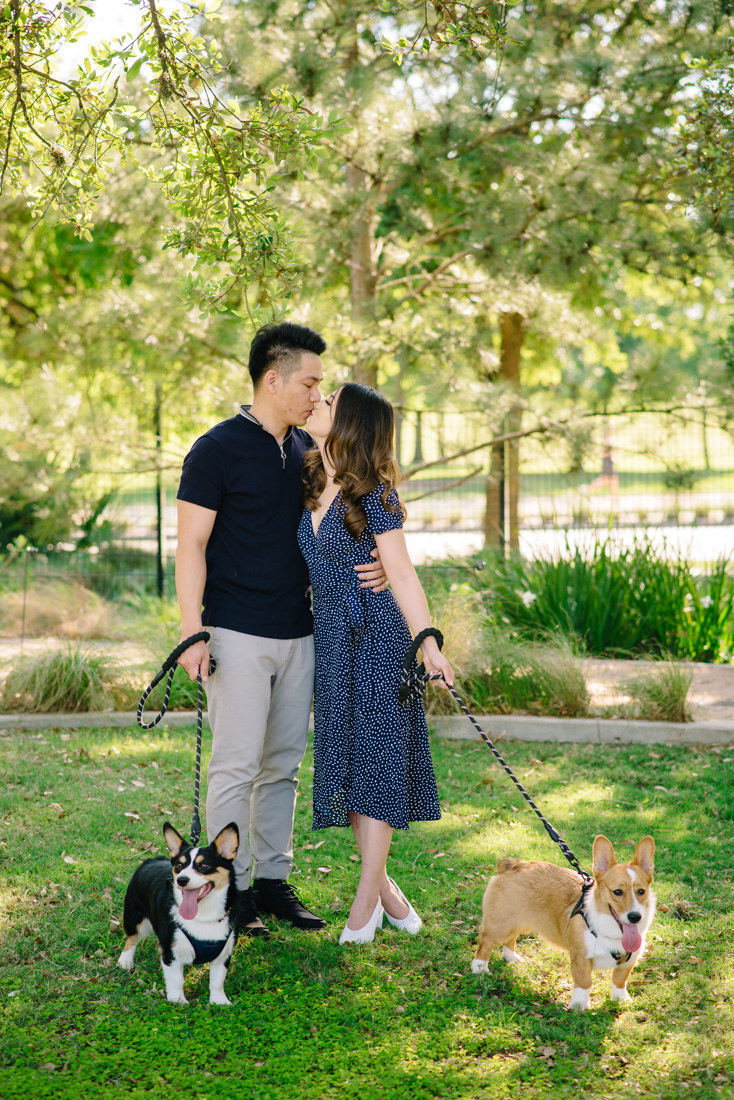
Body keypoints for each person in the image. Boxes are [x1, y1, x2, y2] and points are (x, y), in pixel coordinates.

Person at [175, 323, 386, 938]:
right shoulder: (214, 450)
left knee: (284, 765)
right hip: (236, 632)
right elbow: (190, 545)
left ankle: (270, 882)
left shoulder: (307, 450)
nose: (318, 395)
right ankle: (229, 889)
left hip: (303, 634)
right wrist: (193, 631)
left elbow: (360, 503)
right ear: (274, 379)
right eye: (310, 382)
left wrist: (373, 562)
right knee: (236, 765)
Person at [298, 382, 455, 944]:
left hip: (380, 639)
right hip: (334, 645)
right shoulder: (311, 476)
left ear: (352, 424)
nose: (318, 401)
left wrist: (428, 641)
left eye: (331, 401)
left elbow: (404, 572)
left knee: (378, 767)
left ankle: (364, 906)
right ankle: (389, 895)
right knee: (350, 768)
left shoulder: (377, 495)